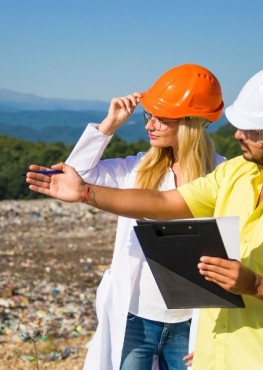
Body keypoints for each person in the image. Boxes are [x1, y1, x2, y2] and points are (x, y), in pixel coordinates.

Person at [26, 63, 263, 369]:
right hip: (148, 318)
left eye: (252, 131)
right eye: (149, 116)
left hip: (204, 328)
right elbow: (158, 200)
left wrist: (252, 287)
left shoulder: (223, 168)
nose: (238, 134)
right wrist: (90, 180)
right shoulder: (234, 174)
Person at [61, 63, 225, 370]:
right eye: (149, 115)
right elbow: (75, 176)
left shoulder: (224, 175)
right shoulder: (136, 170)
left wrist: (214, 339)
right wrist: (108, 125)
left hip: (192, 323)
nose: (150, 125)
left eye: (162, 119)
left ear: (191, 123)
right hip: (134, 317)